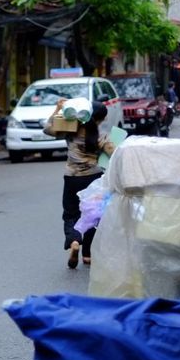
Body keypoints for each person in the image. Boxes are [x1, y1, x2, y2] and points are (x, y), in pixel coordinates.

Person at [43, 99, 116, 269]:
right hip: (93, 177)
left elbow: (47, 129)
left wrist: (57, 109)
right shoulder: (100, 136)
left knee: (70, 214)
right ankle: (88, 255)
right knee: (92, 215)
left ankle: (75, 240)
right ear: (101, 119)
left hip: (72, 177)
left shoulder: (71, 130)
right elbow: (114, 155)